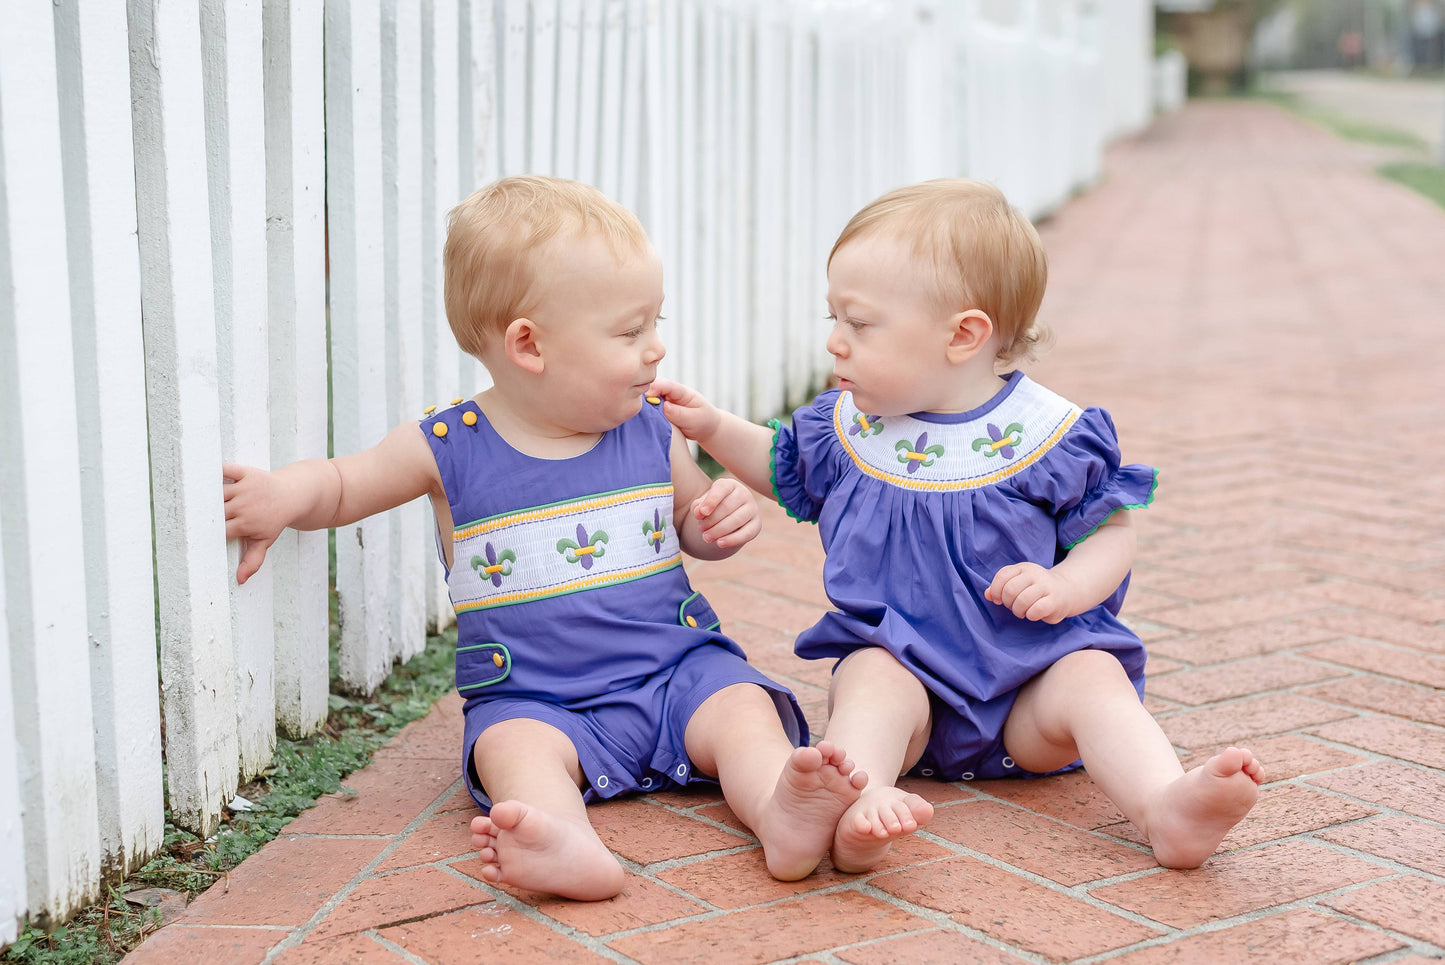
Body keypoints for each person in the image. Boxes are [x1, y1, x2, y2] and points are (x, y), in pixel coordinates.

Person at [222, 175, 868, 900]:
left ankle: (779, 808)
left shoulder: (649, 427)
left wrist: (716, 525)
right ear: (528, 345)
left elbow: (690, 524)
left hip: (674, 672)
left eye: (656, 322)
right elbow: (344, 483)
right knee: (510, 749)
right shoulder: (446, 446)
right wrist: (282, 495)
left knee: (741, 707)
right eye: (630, 331)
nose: (656, 349)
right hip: (537, 697)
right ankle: (562, 839)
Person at [651, 178, 1263, 874]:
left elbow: (1112, 531)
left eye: (859, 323)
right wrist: (715, 428)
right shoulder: (850, 427)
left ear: (962, 335)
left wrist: (1066, 586)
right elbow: (782, 466)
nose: (834, 342)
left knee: (1091, 673)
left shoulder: (1045, 435)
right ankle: (861, 796)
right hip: (907, 677)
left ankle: (1164, 804)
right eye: (834, 319)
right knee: (869, 676)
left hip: (1027, 690)